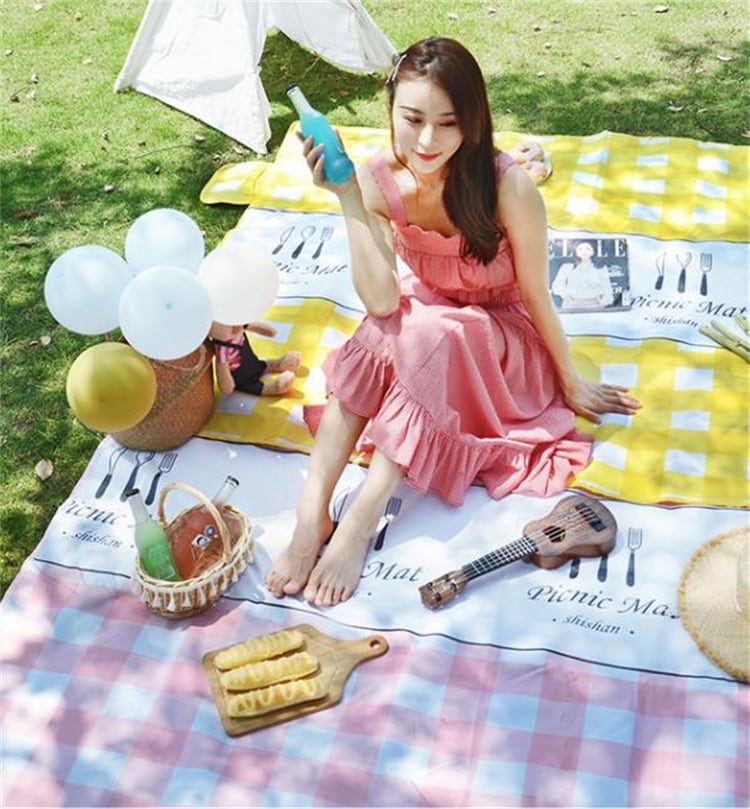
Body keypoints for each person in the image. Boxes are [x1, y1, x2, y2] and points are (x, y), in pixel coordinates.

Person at [266, 37, 641, 607]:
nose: (426, 141)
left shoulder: (507, 185)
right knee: (385, 330)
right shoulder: (377, 180)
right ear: (390, 109)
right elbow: (382, 300)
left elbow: (536, 293)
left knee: (432, 335)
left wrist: (569, 380)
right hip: (429, 318)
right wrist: (346, 197)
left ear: (473, 121)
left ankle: (362, 518)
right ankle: (310, 515)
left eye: (448, 123)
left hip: (504, 344)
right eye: (412, 119)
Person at [209, 321, 301, 396]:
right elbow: (223, 371)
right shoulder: (222, 350)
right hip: (242, 378)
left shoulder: (239, 324)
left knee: (259, 365)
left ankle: (277, 364)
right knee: (253, 386)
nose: (236, 327)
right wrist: (227, 386)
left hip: (252, 362)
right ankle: (275, 387)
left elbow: (256, 327)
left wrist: (270, 331)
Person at [551, 240, 615, 310]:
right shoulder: (567, 267)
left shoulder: (601, 268)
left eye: (588, 249)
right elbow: (556, 286)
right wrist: (566, 295)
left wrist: (603, 301)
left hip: (594, 304)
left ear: (593, 251)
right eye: (580, 249)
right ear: (576, 252)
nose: (584, 252)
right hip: (572, 304)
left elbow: (607, 288)